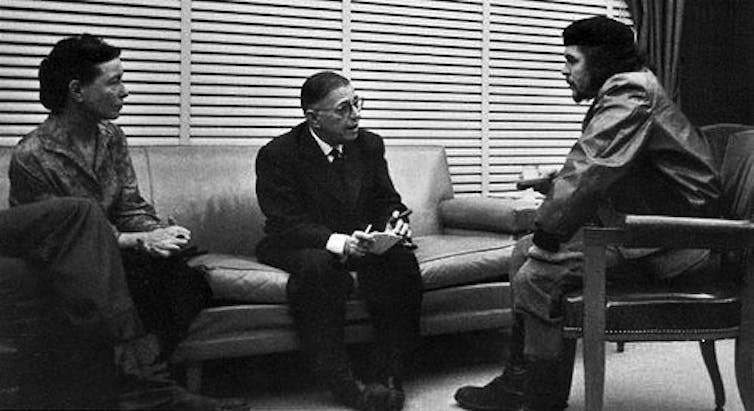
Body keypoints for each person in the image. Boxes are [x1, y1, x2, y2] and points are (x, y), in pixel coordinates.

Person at [454, 16, 722, 411]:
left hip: (679, 237)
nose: (564, 71)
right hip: (650, 226)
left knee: (539, 272)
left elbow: (593, 165)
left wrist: (550, 229)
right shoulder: (630, 86)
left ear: (599, 60)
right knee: (522, 252)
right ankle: (520, 380)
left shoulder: (630, 90)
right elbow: (614, 163)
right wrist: (552, 183)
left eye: (571, 60)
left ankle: (540, 397)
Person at [6, 34, 243, 410]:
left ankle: (135, 386)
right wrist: (135, 242)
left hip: (121, 259)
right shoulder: (32, 155)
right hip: (66, 268)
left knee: (182, 278)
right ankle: (145, 390)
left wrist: (156, 231)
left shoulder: (112, 137)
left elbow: (129, 205)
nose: (126, 92)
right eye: (114, 81)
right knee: (134, 283)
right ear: (76, 90)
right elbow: (57, 239)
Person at [255, 71, 423, 411]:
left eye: (357, 104)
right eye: (344, 109)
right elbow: (285, 222)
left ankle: (388, 373)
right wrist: (338, 241)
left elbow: (387, 199)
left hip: (361, 240)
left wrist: (393, 224)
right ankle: (343, 383)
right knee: (320, 269)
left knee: (400, 260)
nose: (356, 115)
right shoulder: (279, 154)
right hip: (303, 244)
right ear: (313, 117)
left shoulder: (369, 144)